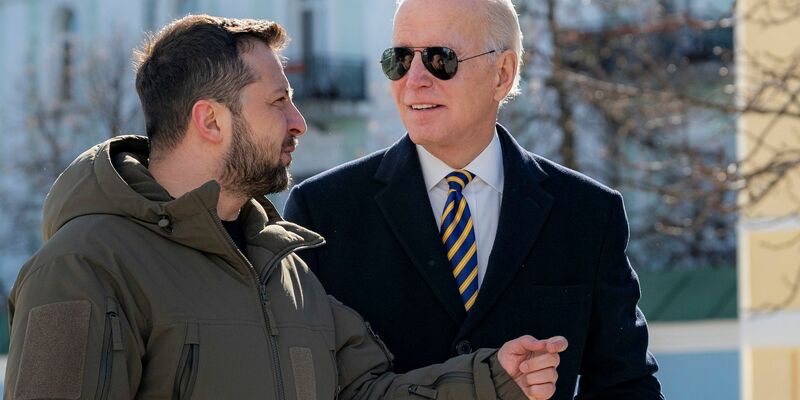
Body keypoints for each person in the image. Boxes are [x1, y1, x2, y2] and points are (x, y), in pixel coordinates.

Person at [3, 14, 567, 400]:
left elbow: (362, 393)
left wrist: (493, 379)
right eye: (278, 101)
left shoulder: (284, 269)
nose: (298, 122)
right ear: (211, 120)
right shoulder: (84, 266)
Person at [283, 0, 664, 398]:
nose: (414, 79)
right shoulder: (323, 210)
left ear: (502, 73)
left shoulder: (586, 212)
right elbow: (310, 385)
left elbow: (626, 383)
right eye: (399, 59)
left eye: (439, 59)